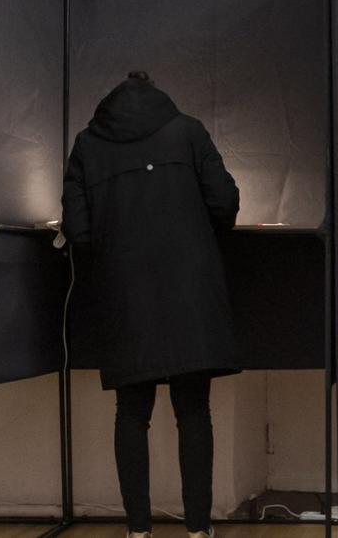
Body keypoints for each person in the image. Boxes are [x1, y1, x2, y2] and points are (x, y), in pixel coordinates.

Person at [62, 71, 241, 538]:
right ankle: (198, 529)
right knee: (194, 412)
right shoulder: (188, 130)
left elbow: (77, 230)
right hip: (190, 287)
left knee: (131, 412)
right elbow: (224, 200)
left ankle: (138, 530)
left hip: (125, 291)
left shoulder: (87, 144)